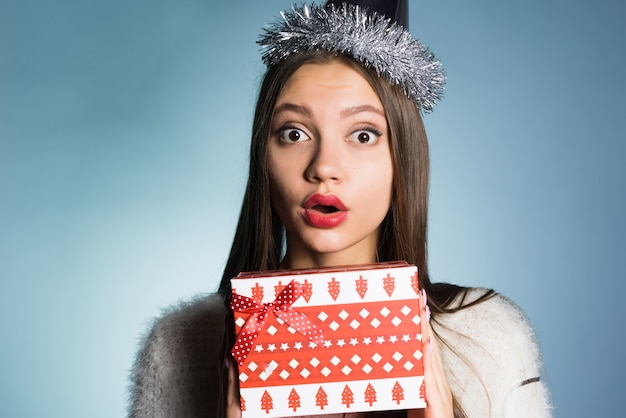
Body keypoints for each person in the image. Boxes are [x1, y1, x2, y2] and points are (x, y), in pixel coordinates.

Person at [127, 1, 553, 417]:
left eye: (363, 135)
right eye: (294, 133)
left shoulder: (485, 339)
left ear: (402, 159)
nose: (324, 167)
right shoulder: (181, 345)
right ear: (263, 155)